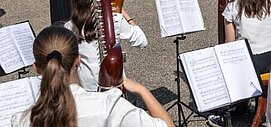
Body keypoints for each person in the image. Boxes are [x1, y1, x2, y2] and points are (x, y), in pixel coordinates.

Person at [11, 26, 171, 127]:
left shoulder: (21, 121)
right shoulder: (110, 108)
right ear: (78, 60)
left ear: (37, 68)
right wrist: (142, 90)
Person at [65, 0, 148, 91]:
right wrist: (125, 14)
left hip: (86, 87)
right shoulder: (115, 20)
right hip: (114, 85)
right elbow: (142, 41)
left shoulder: (69, 26)